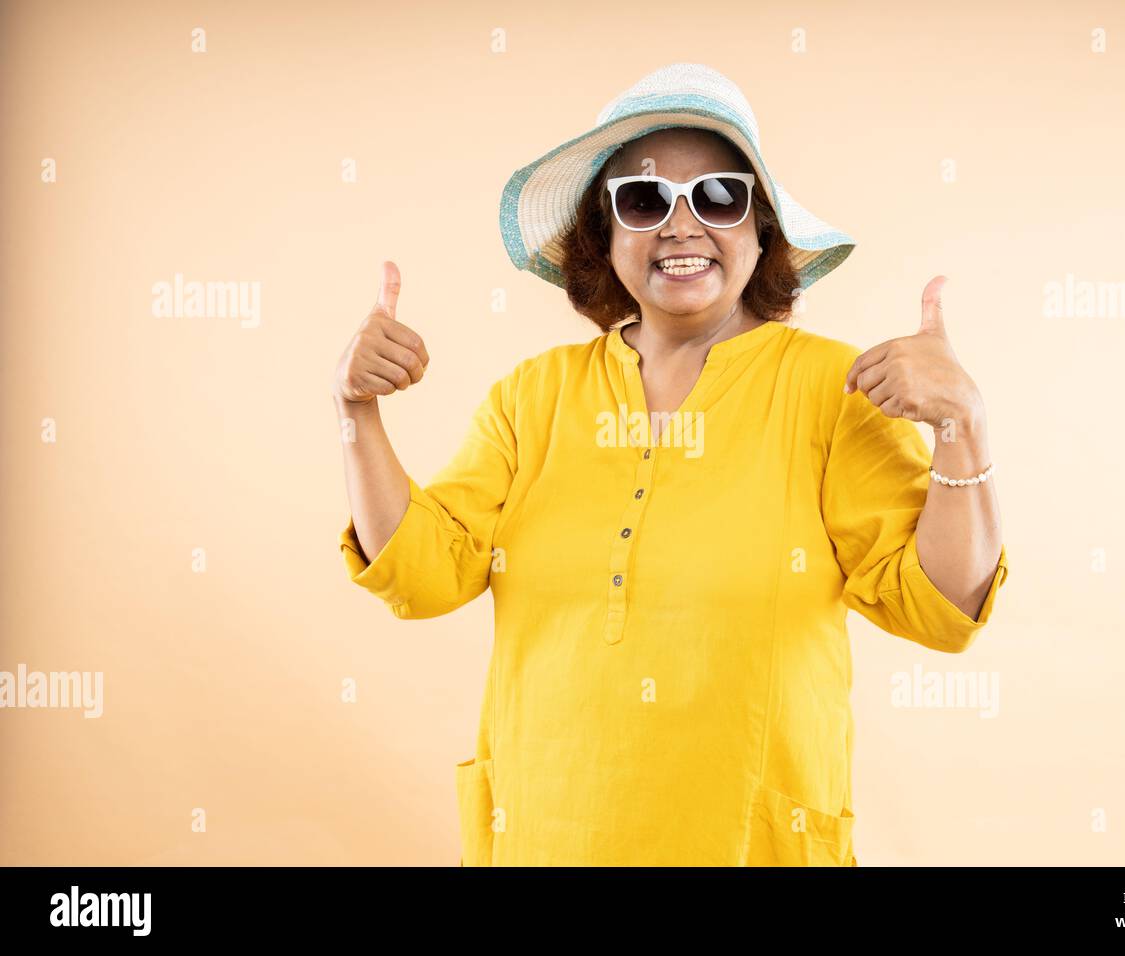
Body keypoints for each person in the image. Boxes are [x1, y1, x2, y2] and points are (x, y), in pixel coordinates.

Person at [332, 63, 1009, 866]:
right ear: (605, 237)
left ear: (761, 229)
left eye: (719, 197)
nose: (681, 226)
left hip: (748, 845)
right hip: (547, 839)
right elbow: (419, 576)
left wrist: (964, 426)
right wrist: (356, 415)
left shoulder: (832, 390)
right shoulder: (533, 397)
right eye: (644, 200)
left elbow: (938, 606)